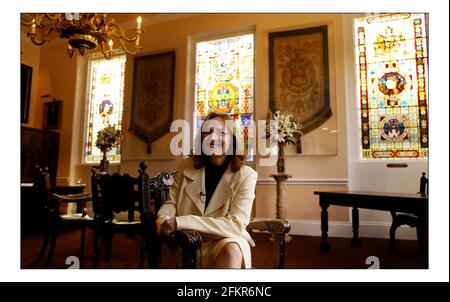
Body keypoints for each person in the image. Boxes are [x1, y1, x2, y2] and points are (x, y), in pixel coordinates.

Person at [156, 112, 258, 268]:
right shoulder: (186, 166)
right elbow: (171, 203)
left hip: (225, 240)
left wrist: (179, 222)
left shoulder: (247, 175)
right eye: (208, 132)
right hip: (189, 242)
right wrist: (163, 219)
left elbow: (235, 225)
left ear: (233, 140)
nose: (213, 138)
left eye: (222, 133)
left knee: (232, 248)